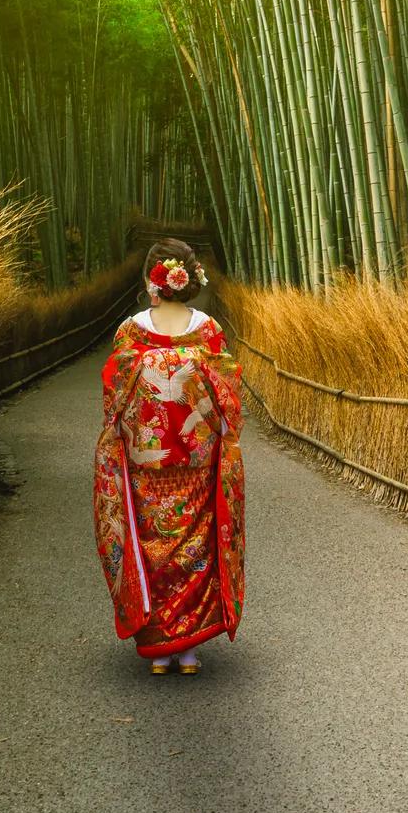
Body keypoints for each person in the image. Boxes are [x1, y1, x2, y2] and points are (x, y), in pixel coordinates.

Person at [94, 238, 246, 674]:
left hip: (146, 460)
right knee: (194, 545)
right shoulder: (209, 331)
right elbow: (226, 395)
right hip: (197, 460)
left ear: (151, 281)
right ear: (192, 278)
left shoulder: (130, 331)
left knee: (150, 545)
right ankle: (189, 649)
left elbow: (115, 396)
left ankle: (160, 647)